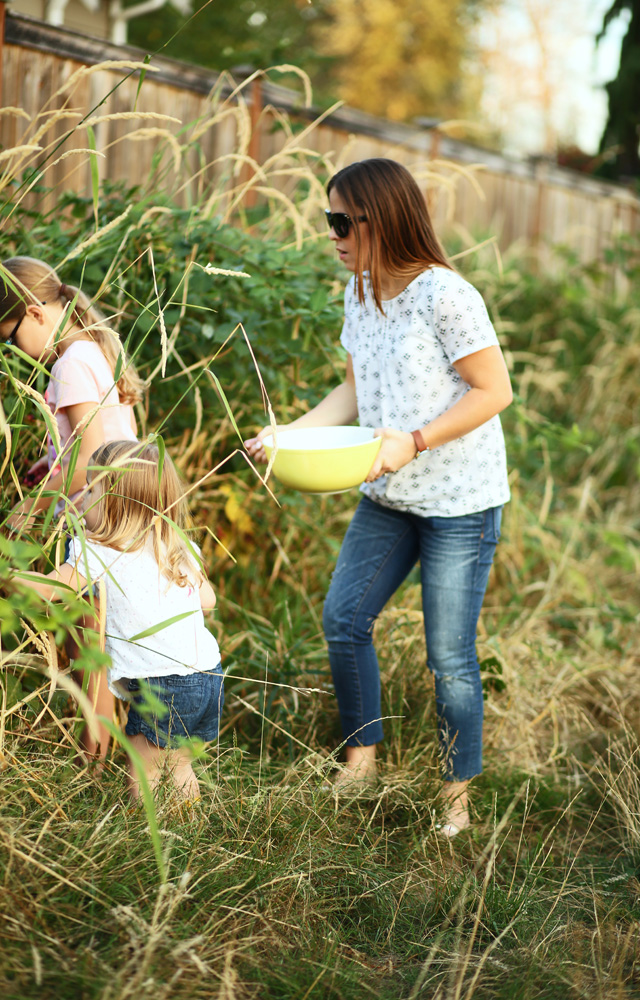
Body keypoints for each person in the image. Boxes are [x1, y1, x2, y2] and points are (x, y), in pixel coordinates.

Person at [245, 158, 512, 836]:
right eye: (327, 220)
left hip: (458, 500)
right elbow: (355, 392)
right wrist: (288, 434)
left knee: (448, 658)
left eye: (341, 221)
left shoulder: (445, 295)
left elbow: (495, 390)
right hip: (390, 493)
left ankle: (456, 794)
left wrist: (415, 441)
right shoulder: (358, 293)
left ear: (381, 220)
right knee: (344, 618)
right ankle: (361, 759)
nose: (331, 234)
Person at [9, 440, 224, 801]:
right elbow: (209, 601)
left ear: (113, 502)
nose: (79, 495)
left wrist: (10, 576)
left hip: (166, 686)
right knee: (178, 764)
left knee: (146, 768)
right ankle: (188, 831)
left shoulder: (97, 551)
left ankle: (146, 837)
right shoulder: (175, 544)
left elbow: (52, 589)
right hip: (209, 676)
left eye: (90, 488)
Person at [0, 256, 144, 761]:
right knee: (90, 641)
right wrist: (46, 466)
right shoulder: (84, 353)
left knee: (91, 646)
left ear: (36, 314)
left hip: (99, 514)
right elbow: (79, 443)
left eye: (10, 336)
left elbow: (92, 454)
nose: (13, 349)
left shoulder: (71, 362)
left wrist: (34, 508)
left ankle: (94, 758)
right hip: (108, 508)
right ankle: (98, 752)